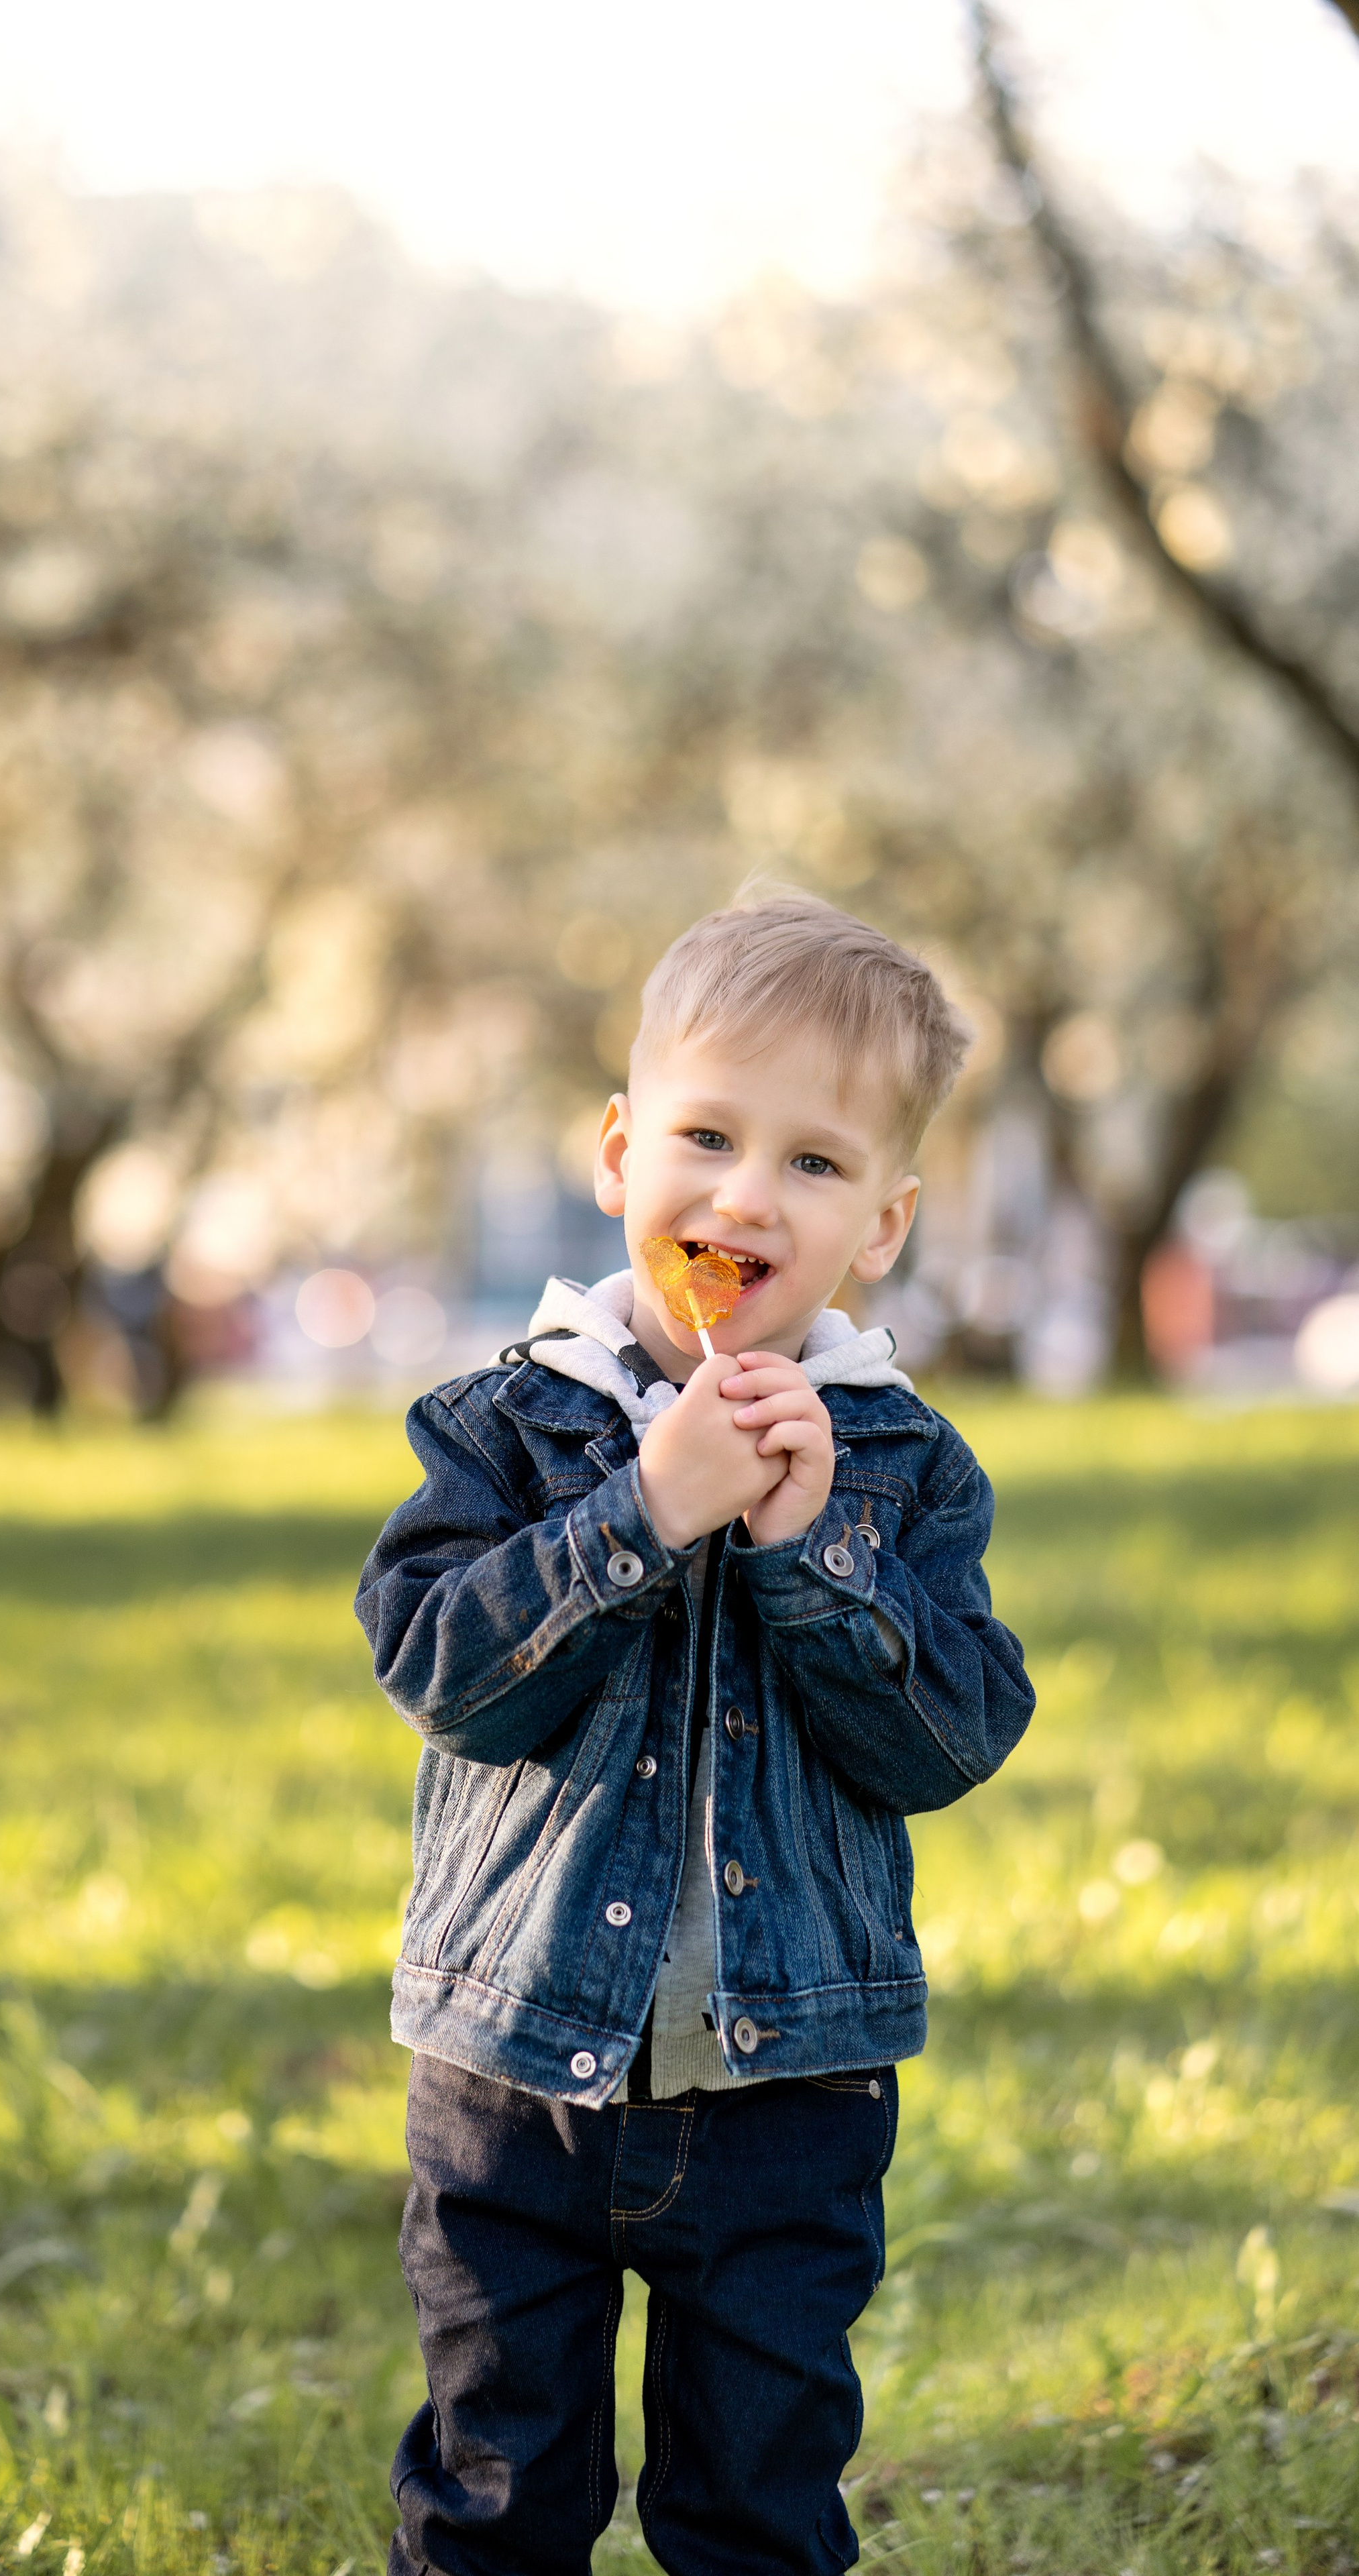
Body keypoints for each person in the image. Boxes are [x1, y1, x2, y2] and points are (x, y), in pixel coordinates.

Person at [355, 890, 1034, 2576]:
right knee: (495, 2489)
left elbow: (947, 1741)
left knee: (759, 2502)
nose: (743, 1196)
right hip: (514, 2076)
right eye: (707, 1136)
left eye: (813, 1162)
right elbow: (442, 1670)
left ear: (881, 1224)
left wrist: (814, 1556)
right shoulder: (507, 1426)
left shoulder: (899, 1467)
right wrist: (639, 1515)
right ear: (617, 1152)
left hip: (787, 2091)